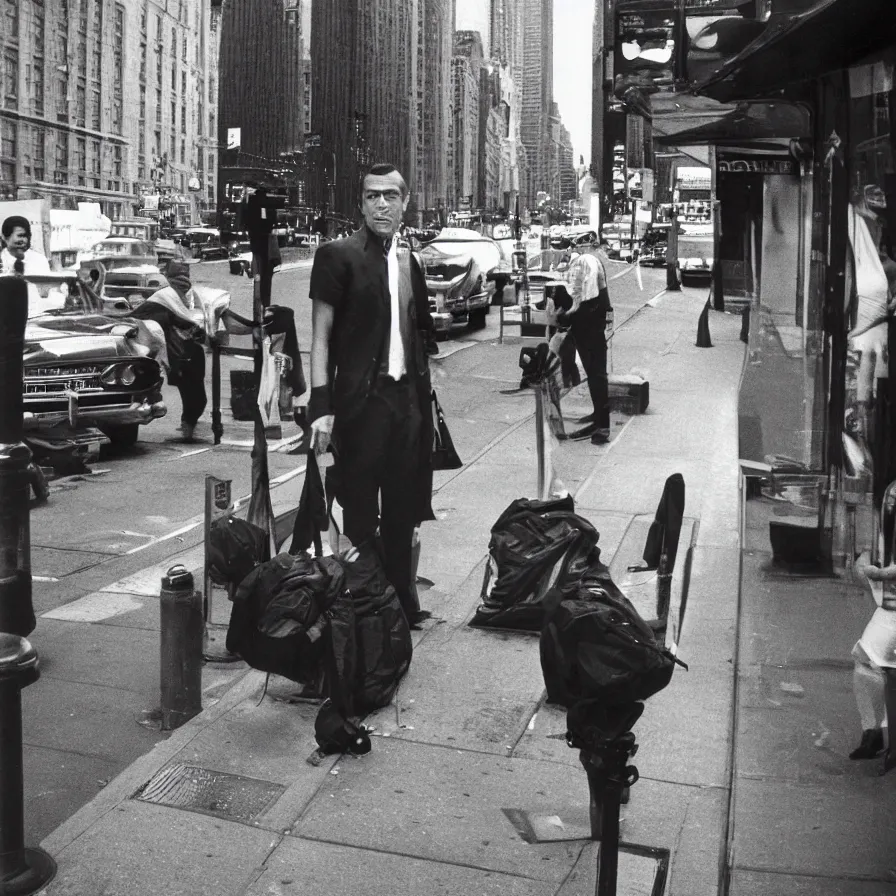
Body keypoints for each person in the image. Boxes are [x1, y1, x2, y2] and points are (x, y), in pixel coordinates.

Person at [308, 162, 435, 627]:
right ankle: (366, 604)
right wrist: (321, 410)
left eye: (391, 196)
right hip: (359, 409)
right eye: (372, 196)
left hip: (407, 407)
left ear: (405, 203)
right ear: (360, 203)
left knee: (404, 512)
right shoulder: (336, 256)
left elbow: (418, 335)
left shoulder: (408, 260)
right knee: (360, 514)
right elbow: (320, 339)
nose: (382, 204)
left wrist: (426, 402)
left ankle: (401, 603)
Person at [127, 260, 207, 441]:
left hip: (187, 354)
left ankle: (188, 426)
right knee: (192, 397)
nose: (183, 284)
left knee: (196, 398)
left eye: (185, 278)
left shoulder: (190, 297)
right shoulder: (163, 299)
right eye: (179, 279)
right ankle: (187, 428)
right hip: (174, 356)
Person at [551, 242, 613, 444]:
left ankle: (602, 427)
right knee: (594, 374)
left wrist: (566, 315)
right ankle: (598, 416)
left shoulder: (584, 261)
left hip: (591, 324)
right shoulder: (581, 263)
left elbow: (583, 298)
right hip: (587, 324)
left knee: (597, 375)